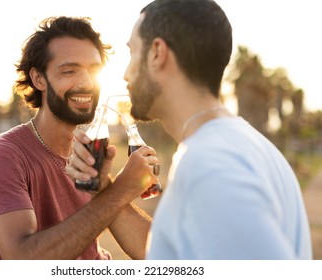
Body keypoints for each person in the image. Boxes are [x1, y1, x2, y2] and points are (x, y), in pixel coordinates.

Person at [67, 0, 312, 259]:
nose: (126, 74)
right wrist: (105, 187)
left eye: (133, 53)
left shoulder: (211, 163)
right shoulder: (247, 145)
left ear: (157, 53)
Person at [0, 16, 159, 260]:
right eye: (69, 71)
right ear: (39, 78)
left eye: (94, 71)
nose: (86, 83)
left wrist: (105, 187)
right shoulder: (4, 154)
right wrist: (121, 190)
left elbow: (154, 255)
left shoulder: (89, 153)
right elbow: (21, 260)